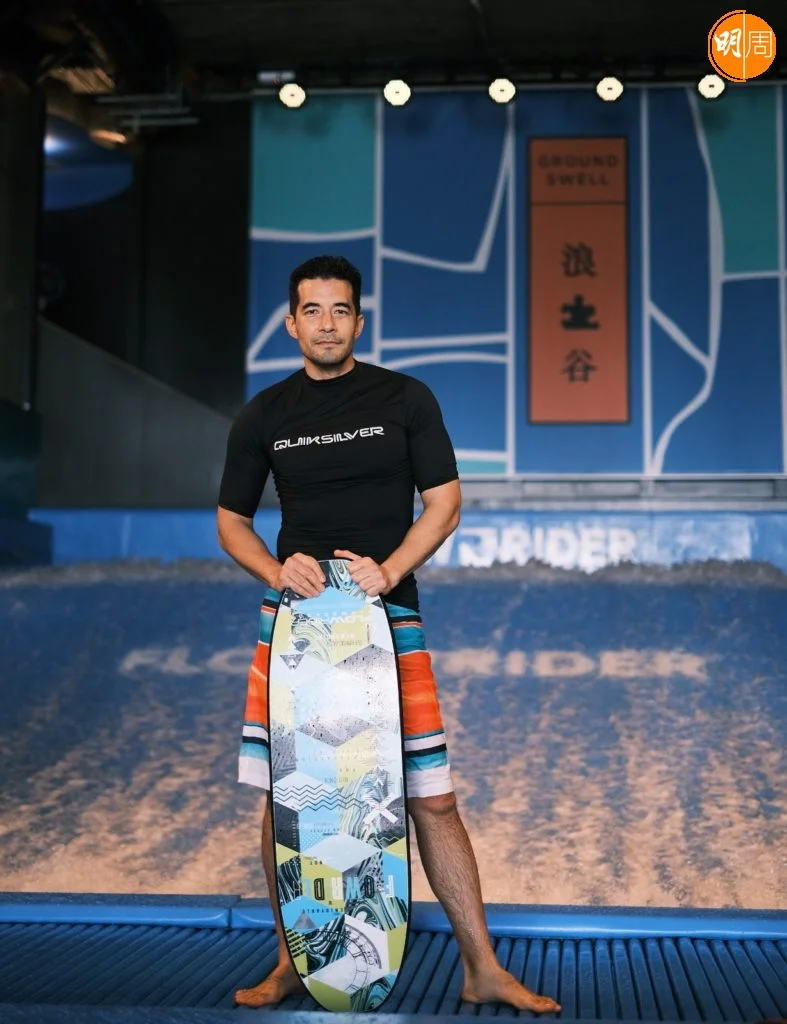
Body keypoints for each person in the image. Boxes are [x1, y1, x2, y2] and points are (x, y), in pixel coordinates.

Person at [216, 254, 560, 1014]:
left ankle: (482, 968)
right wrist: (275, 570)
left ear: (359, 321)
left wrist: (389, 569)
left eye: (340, 310)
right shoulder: (264, 415)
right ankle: (294, 963)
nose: (326, 324)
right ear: (291, 323)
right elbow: (231, 522)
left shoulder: (405, 398)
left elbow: (444, 502)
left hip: (386, 620)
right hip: (298, 631)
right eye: (312, 311)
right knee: (288, 802)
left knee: (431, 798)